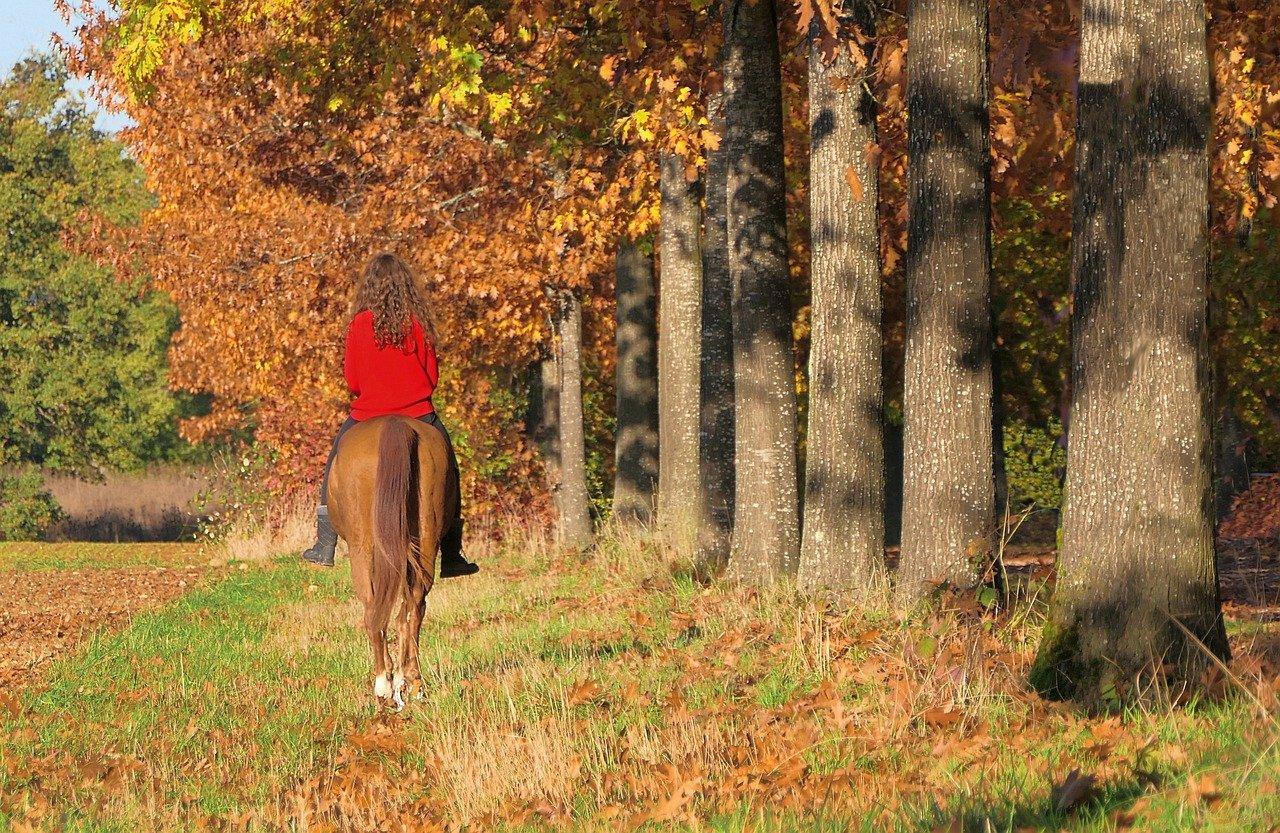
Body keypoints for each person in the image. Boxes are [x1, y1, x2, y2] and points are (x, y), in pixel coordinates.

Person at [301, 252, 479, 578]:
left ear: (368, 287)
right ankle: (453, 553)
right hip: (419, 413)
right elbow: (433, 377)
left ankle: (324, 543)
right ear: (405, 286)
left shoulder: (358, 325)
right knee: (449, 466)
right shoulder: (417, 323)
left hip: (368, 414)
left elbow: (352, 380)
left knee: (333, 464)